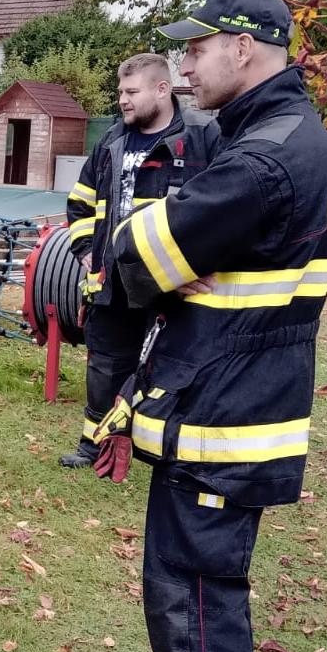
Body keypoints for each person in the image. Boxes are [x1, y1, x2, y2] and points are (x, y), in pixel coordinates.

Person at [95, 0, 327, 652]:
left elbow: (132, 254)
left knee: (196, 592)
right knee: (180, 581)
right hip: (221, 396)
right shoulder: (272, 133)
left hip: (225, 418)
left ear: (244, 48)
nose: (184, 67)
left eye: (196, 50)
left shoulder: (265, 158)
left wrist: (144, 236)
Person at [59, 54, 219, 468]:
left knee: (170, 369)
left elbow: (220, 211)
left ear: (162, 89)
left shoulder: (204, 138)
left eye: (131, 92)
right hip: (111, 283)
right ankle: (93, 445)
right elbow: (79, 203)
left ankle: (159, 450)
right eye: (120, 92)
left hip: (171, 286)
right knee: (105, 366)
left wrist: (190, 266)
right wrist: (87, 255)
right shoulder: (111, 142)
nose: (123, 101)